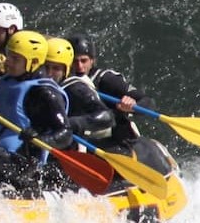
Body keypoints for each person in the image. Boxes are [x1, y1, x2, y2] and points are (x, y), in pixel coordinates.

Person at [0, 31, 75, 196]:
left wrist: (40, 140)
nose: (8, 61)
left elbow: (65, 133)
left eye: (15, 59)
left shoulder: (45, 93)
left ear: (33, 62)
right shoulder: (8, 81)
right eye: (9, 55)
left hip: (20, 164)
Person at [68, 35, 170, 175]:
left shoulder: (107, 80)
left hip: (116, 140)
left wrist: (132, 106)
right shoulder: (64, 81)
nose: (79, 66)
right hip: (85, 141)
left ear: (92, 60)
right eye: (74, 61)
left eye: (83, 60)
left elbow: (148, 102)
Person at [42, 37, 117, 151]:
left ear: (66, 69)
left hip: (71, 145)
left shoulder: (76, 89)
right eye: (46, 67)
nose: (49, 73)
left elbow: (107, 117)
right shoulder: (35, 82)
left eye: (56, 68)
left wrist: (70, 124)